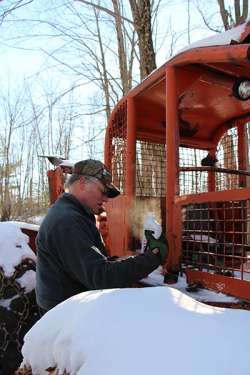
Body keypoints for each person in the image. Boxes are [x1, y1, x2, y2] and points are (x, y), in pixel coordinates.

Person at [35, 159, 167, 312]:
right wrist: (152, 258)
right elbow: (101, 278)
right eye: (103, 191)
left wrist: (128, 262)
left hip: (69, 309)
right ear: (83, 183)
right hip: (65, 318)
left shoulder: (74, 214)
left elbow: (91, 264)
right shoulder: (68, 221)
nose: (106, 199)